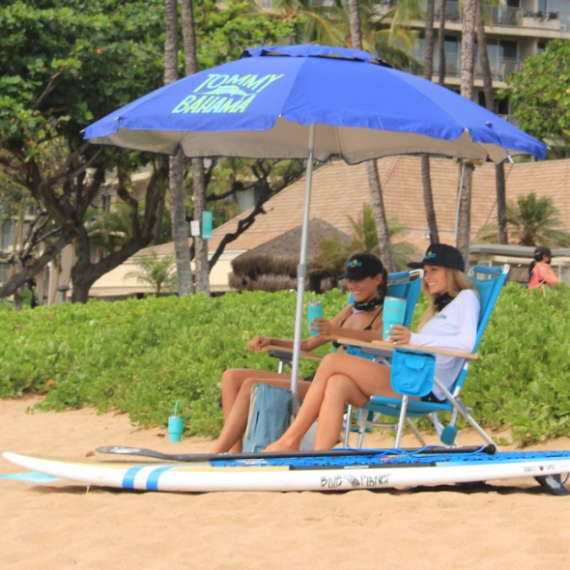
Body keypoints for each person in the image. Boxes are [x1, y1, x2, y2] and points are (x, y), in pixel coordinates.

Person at [265, 243, 480, 452]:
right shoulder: (439, 308)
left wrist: (413, 339)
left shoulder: (467, 298)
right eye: (425, 271)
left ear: (452, 273)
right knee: (337, 383)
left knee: (332, 361)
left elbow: (466, 344)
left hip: (424, 387)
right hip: (410, 376)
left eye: (434, 270)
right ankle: (320, 456)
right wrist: (406, 342)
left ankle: (290, 440)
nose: (427, 277)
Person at [211, 252, 388, 453]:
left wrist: (337, 332)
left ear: (378, 279)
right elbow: (307, 345)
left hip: (336, 386)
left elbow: (384, 338)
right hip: (316, 379)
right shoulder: (349, 311)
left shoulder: (387, 313)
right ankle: (232, 454)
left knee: (250, 385)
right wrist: (271, 340)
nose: (353, 285)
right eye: (350, 280)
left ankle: (215, 454)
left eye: (359, 280)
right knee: (231, 377)